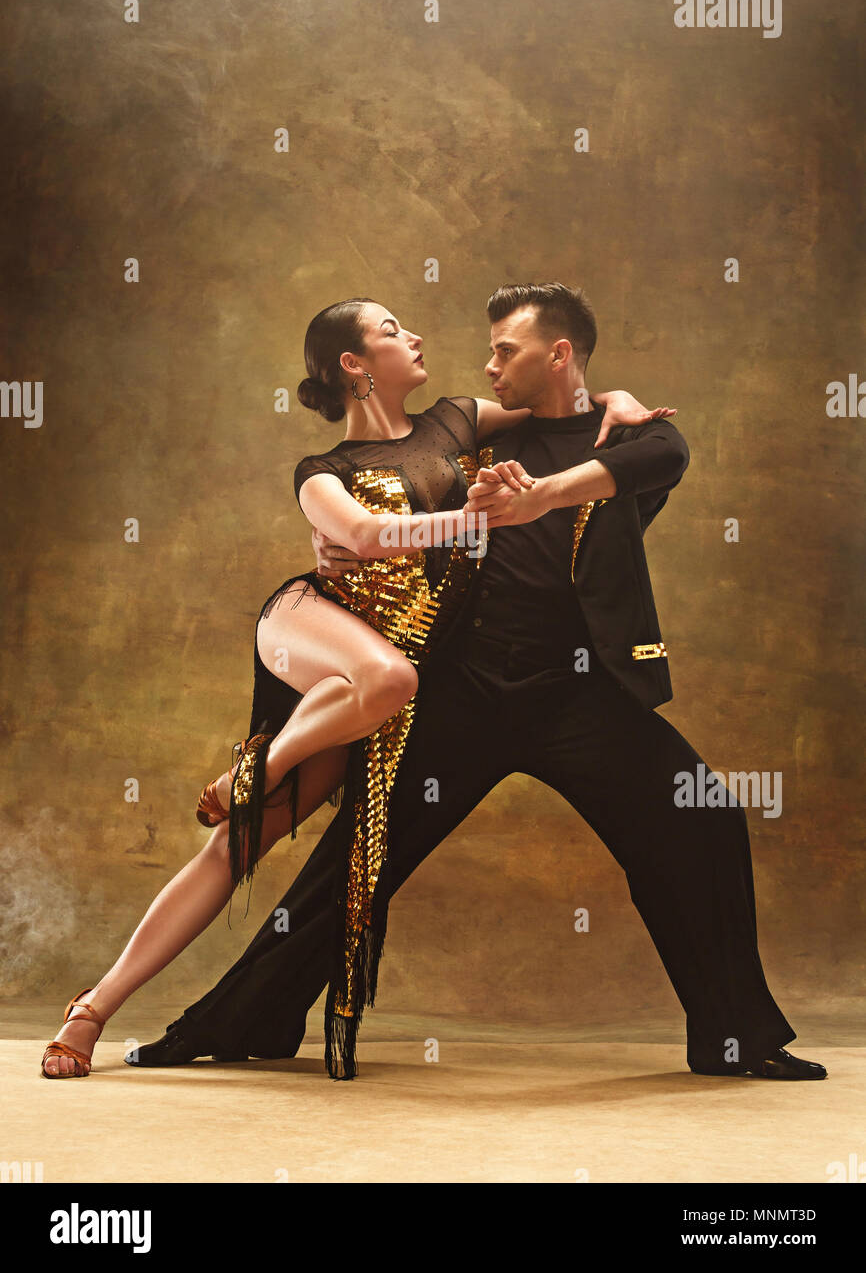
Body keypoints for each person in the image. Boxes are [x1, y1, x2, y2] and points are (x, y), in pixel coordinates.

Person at [127, 282, 826, 1083]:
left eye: (507, 351)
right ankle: (234, 1024)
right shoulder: (469, 442)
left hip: (578, 694)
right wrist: (342, 547)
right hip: (461, 687)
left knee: (701, 822)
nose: (488, 363)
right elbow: (389, 495)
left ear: (559, 355)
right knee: (357, 855)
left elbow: (664, 456)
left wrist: (548, 492)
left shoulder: (628, 439)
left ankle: (734, 1039)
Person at [40, 295, 664, 1079]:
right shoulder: (323, 473)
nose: (418, 335)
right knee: (386, 674)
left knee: (238, 847)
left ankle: (99, 1004)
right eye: (393, 330)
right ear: (354, 364)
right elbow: (366, 537)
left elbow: (563, 396)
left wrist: (623, 403)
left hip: (379, 697)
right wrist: (475, 521)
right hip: (315, 630)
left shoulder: (458, 421)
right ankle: (242, 786)